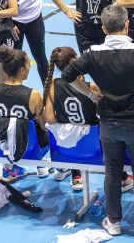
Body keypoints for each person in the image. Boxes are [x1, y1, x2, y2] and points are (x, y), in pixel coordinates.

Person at [62, 5, 134, 237]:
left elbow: (67, 75)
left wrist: (88, 93)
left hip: (108, 123)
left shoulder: (92, 53)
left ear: (103, 28)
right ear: (127, 25)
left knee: (112, 173)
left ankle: (113, 222)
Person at [42, 47, 100, 191]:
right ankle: (123, 176)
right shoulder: (90, 87)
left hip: (67, 148)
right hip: (94, 148)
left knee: (70, 131)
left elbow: (49, 118)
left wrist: (68, 122)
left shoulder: (53, 85)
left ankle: (75, 174)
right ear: (75, 62)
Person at [0, 45, 49, 181]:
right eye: (28, 65)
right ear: (22, 70)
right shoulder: (33, 94)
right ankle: (43, 165)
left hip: (2, 143)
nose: (30, 67)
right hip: (30, 144)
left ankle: (9, 169)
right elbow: (44, 126)